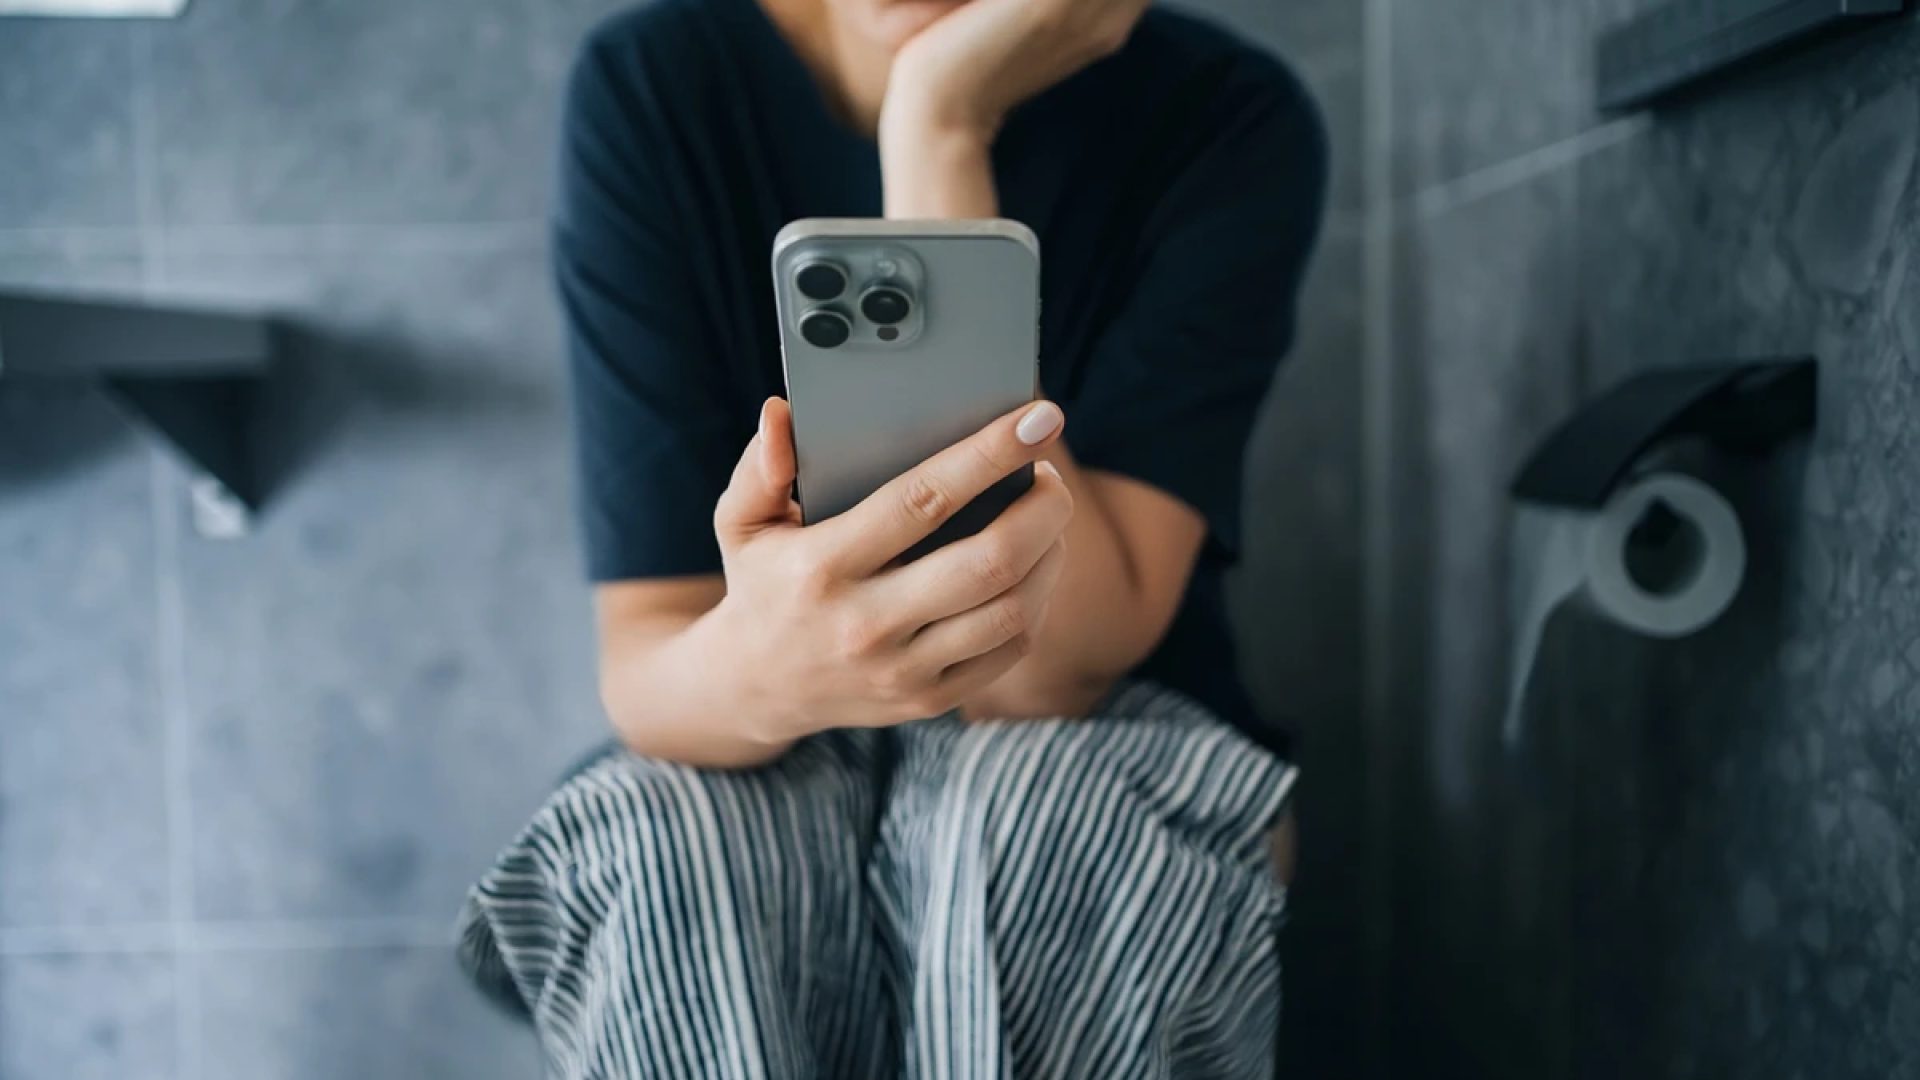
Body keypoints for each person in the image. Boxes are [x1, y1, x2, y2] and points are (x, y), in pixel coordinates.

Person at [459, 0, 1328, 1074]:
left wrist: (938, 129)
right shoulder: (659, 84)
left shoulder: (1224, 115)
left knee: (1041, 827)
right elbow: (648, 662)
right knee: (658, 845)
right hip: (766, 732)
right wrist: (767, 666)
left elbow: (1042, 677)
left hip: (1094, 728)